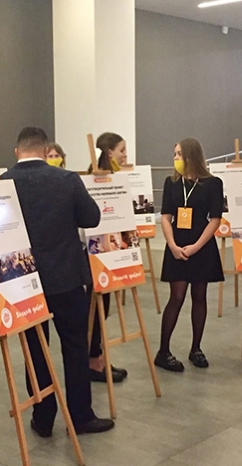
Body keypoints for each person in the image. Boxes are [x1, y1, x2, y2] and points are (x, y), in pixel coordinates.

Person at [1, 127, 114, 438]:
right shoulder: (66, 179)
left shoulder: (2, 183)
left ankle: (43, 415)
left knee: (35, 349)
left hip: (22, 281)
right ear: (45, 150)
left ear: (17, 152)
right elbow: (91, 218)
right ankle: (80, 416)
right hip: (66, 277)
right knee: (75, 346)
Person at [155, 138, 224, 372]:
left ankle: (196, 348)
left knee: (199, 295)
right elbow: (166, 217)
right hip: (177, 243)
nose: (175, 158)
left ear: (191, 156)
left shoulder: (213, 183)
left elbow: (215, 219)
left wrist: (196, 247)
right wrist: (173, 245)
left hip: (201, 245)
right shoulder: (171, 183)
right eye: (174, 154)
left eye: (179, 154)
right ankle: (163, 351)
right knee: (176, 296)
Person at [87, 132, 129, 383]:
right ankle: (93, 360)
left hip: (111, 255)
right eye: (122, 150)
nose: (125, 155)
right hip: (94, 256)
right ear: (110, 152)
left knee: (103, 308)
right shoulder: (92, 181)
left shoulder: (116, 180)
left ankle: (99, 357)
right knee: (94, 310)